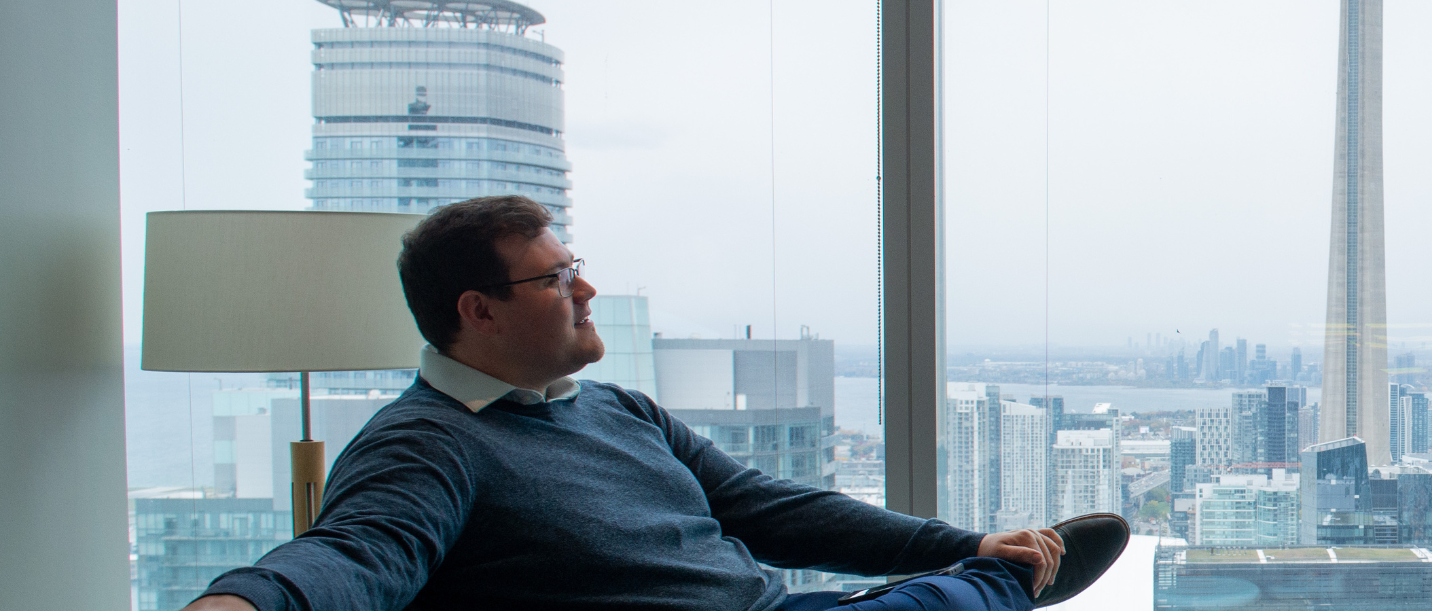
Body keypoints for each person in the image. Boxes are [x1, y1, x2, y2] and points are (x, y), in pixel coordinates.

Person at [182, 195, 1126, 611]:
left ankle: (988, 577)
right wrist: (247, 602)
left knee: (944, 590)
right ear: (478, 311)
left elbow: (768, 509)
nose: (586, 291)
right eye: (558, 280)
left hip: (773, 607)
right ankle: (1005, 585)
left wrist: (957, 540)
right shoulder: (427, 444)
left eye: (577, 270)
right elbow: (360, 549)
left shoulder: (615, 409)